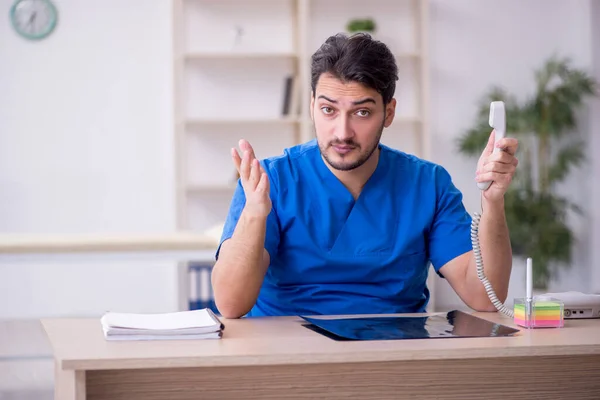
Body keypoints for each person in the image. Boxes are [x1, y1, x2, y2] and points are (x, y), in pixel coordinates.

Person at [211, 33, 519, 319]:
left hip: (393, 356)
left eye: (362, 113)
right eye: (329, 110)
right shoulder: (269, 183)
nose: (342, 132)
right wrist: (254, 214)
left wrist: (492, 202)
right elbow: (230, 304)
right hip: (288, 357)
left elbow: (484, 297)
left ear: (389, 112)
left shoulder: (428, 185)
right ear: (311, 106)